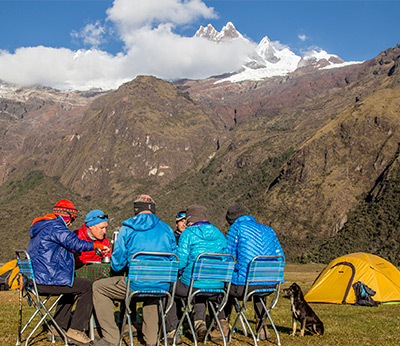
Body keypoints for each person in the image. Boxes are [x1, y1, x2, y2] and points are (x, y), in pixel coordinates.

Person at [92, 195, 177, 346]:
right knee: (152, 294)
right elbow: (174, 257)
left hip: (136, 284)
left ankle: (111, 337)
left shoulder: (128, 228)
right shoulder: (167, 229)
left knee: (98, 287)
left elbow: (117, 264)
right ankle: (151, 341)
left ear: (136, 209)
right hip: (162, 285)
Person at [27, 199, 107, 346]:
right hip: (47, 280)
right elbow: (74, 242)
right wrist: (96, 246)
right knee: (88, 286)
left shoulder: (43, 226)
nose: (72, 223)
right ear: (67, 217)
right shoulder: (56, 227)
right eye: (73, 219)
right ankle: (77, 330)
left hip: (36, 279)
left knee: (70, 283)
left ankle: (58, 326)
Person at [209, 204, 285, 341]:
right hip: (269, 286)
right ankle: (262, 326)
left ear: (231, 220)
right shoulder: (268, 230)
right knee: (259, 283)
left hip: (245, 287)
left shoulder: (236, 229)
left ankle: (222, 327)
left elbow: (229, 258)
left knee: (222, 286)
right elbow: (281, 257)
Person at [165, 204, 227, 344]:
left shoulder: (188, 233)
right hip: (216, 287)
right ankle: (199, 323)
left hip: (193, 285)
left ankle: (173, 330)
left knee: (169, 286)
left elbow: (180, 262)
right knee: (200, 287)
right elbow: (225, 258)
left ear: (190, 220)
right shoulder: (219, 233)